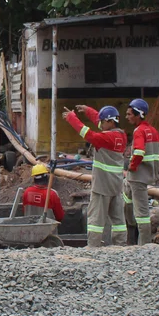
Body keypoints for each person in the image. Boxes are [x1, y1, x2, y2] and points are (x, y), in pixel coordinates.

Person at [63, 104, 128, 247]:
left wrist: (72, 118)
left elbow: (87, 133)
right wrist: (88, 111)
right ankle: (121, 246)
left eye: (103, 122)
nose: (101, 124)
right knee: (118, 220)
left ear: (110, 122)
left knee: (95, 220)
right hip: (116, 186)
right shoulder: (120, 135)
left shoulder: (106, 137)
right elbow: (100, 123)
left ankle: (93, 246)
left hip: (102, 186)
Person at [126, 98, 159, 245]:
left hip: (138, 176)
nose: (127, 117)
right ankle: (130, 230)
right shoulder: (153, 131)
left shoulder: (139, 131)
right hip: (147, 174)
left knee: (142, 213)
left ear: (138, 114)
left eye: (129, 114)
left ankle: (144, 245)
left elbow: (139, 151)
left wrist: (132, 166)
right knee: (126, 196)